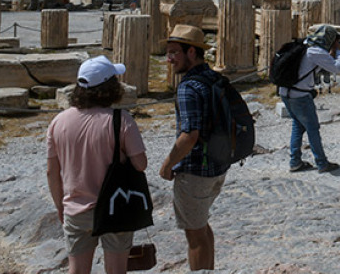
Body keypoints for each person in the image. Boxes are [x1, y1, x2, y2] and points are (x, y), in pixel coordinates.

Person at [46, 56, 147, 274]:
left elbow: (52, 172)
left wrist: (60, 207)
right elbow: (140, 164)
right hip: (114, 206)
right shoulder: (122, 120)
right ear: (111, 87)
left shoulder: (58, 122)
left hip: (75, 207)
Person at [158, 24, 226, 271]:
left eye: (175, 52)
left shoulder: (188, 86)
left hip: (195, 171)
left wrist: (167, 164)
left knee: (194, 238)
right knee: (202, 228)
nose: (169, 58)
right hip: (218, 166)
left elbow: (190, 134)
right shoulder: (214, 77)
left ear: (192, 53)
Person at [279, 24, 340, 174]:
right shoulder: (316, 52)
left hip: (285, 91)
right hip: (300, 96)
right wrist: (339, 51)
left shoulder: (305, 44)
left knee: (298, 125)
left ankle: (295, 161)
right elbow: (337, 68)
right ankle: (322, 162)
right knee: (312, 128)